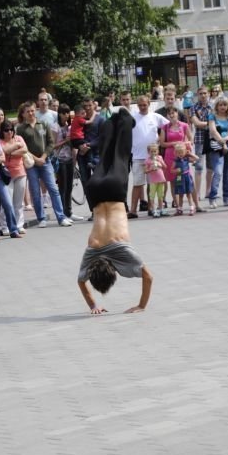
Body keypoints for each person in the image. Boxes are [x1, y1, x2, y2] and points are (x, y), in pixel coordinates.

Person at [77, 108, 153, 315]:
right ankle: (110, 122)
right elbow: (80, 281)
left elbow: (148, 276)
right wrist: (92, 305)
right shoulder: (91, 252)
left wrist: (141, 306)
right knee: (104, 157)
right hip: (94, 192)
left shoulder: (122, 251)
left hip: (114, 191)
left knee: (119, 154)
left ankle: (125, 120)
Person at [16, 101, 72, 227]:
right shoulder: (20, 129)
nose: (30, 113)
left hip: (46, 161)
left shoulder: (44, 124)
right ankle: (41, 218)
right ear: (23, 114)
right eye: (27, 112)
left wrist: (44, 156)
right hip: (31, 164)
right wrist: (36, 159)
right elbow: (22, 147)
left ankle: (61, 217)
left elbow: (51, 143)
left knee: (53, 189)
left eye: (32, 110)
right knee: (35, 191)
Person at [128, 95, 169, 217]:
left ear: (149, 104)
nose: (142, 107)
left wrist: (160, 140)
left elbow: (168, 127)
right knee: (137, 184)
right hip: (137, 156)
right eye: (140, 105)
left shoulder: (155, 116)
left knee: (152, 184)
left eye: (144, 105)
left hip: (153, 157)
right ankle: (133, 210)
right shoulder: (132, 118)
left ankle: (152, 208)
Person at [158, 105, 190, 208]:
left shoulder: (184, 125)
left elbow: (190, 139)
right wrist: (174, 143)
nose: (171, 115)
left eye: (173, 113)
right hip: (170, 156)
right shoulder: (165, 127)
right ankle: (177, 205)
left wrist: (184, 145)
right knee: (172, 181)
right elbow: (162, 143)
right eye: (169, 114)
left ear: (177, 114)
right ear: (167, 116)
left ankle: (185, 203)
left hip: (181, 155)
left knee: (183, 179)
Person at [0, 120, 29, 231]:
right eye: (6, 130)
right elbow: (4, 150)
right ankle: (5, 226)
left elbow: (25, 150)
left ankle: (19, 225)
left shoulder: (19, 138)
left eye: (11, 130)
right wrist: (16, 146)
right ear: (2, 131)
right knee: (7, 202)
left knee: (19, 202)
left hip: (20, 172)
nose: (9, 132)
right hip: (6, 175)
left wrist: (10, 153)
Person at [207, 95, 228, 207]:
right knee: (218, 172)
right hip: (216, 147)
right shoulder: (212, 116)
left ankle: (226, 198)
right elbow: (213, 131)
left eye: (224, 105)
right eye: (220, 105)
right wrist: (222, 143)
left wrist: (225, 141)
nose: (222, 107)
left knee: (227, 174)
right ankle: (212, 197)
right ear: (217, 106)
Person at [189, 86, 213, 211]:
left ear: (208, 94)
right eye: (200, 93)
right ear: (197, 95)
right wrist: (210, 123)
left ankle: (208, 191)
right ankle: (197, 193)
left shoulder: (213, 106)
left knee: (211, 167)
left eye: (205, 93)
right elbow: (196, 123)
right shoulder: (193, 108)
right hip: (199, 140)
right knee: (198, 167)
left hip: (212, 139)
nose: (203, 95)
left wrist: (209, 124)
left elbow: (218, 121)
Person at [172, 141, 197, 215]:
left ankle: (191, 207)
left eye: (181, 152)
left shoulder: (186, 159)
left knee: (189, 194)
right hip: (180, 178)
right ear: (175, 153)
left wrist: (190, 153)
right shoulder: (175, 161)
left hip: (187, 177)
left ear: (184, 152)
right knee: (180, 194)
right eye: (178, 153)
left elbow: (196, 158)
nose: (180, 154)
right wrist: (175, 170)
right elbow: (171, 170)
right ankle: (180, 209)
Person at [144, 143, 167, 217]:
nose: (153, 153)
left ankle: (161, 209)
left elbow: (165, 167)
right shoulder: (147, 160)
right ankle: (153, 210)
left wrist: (160, 163)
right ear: (148, 152)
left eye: (155, 151)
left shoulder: (160, 158)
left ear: (158, 151)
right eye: (152, 151)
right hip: (153, 181)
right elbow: (145, 171)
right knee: (152, 196)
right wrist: (150, 169)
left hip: (161, 180)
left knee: (161, 195)